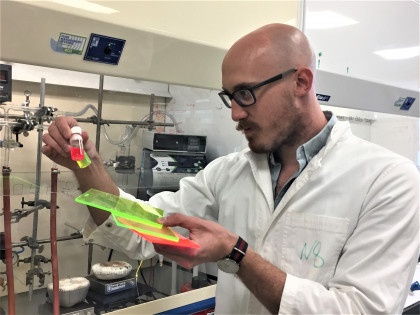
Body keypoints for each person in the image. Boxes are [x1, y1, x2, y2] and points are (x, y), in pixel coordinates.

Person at [42, 23, 419, 314]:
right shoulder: (229, 172)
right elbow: (145, 229)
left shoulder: (388, 181)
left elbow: (360, 309)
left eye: (245, 94)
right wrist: (87, 166)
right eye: (230, 97)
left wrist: (236, 254)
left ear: (301, 81)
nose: (236, 113)